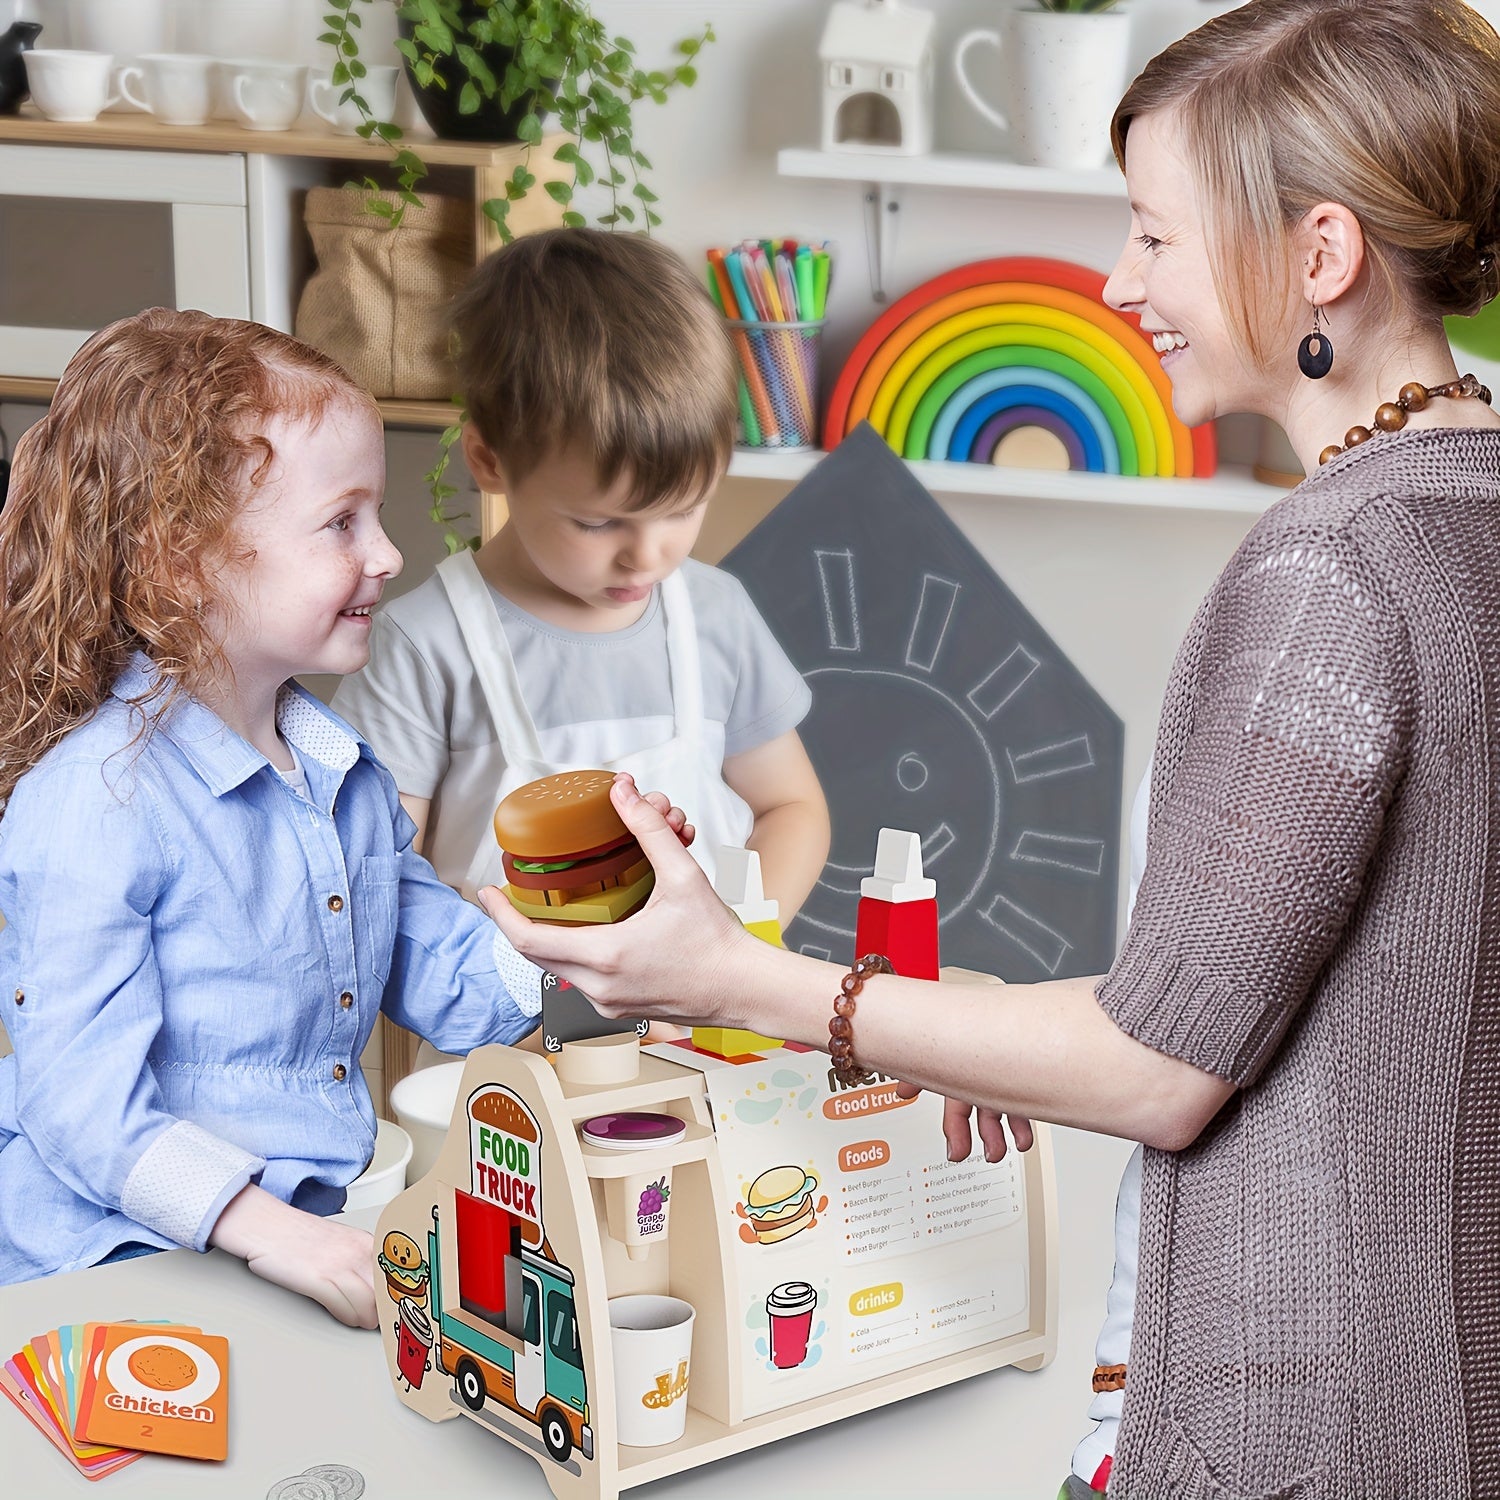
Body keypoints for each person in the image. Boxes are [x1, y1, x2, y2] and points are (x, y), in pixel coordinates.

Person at [482, 1, 1500, 1491]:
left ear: (1321, 254)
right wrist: (975, 1024)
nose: (1120, 281)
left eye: (1155, 234)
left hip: (1305, 1418)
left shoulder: (1328, 570)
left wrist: (735, 980)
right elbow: (1321, 987)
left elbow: (1160, 1068)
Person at [0, 311, 684, 1330]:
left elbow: (446, 970)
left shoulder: (340, 773)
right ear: (181, 561)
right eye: (341, 523)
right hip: (111, 1269)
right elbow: (79, 1108)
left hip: (285, 1238)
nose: (390, 553)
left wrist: (600, 934)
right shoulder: (95, 803)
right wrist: (269, 1230)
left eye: (378, 516)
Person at [332, 227, 829, 923]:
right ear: (490, 461)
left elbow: (791, 808)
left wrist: (736, 946)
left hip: (706, 992)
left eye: (682, 510)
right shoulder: (426, 644)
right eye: (598, 523)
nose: (646, 556)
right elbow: (382, 872)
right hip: (503, 996)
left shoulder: (716, 615)